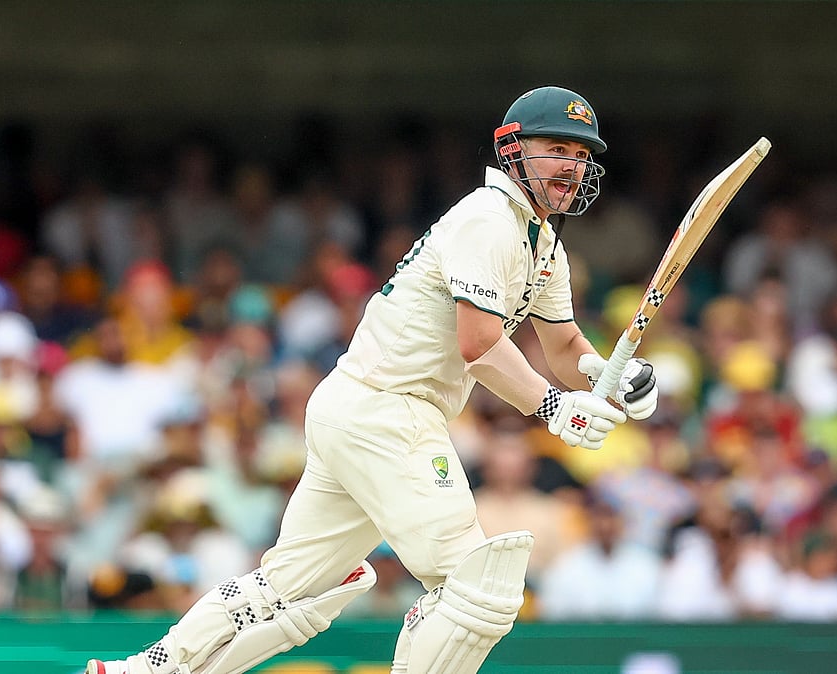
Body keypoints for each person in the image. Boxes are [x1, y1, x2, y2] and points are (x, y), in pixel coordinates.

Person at [86, 85, 659, 674]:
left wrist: (608, 375)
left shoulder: (543, 245)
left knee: (285, 588)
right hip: (391, 411)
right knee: (473, 587)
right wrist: (553, 407)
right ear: (513, 150)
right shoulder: (489, 219)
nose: (572, 164)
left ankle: (146, 669)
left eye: (581, 152)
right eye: (556, 148)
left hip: (356, 409)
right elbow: (479, 344)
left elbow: (563, 345)